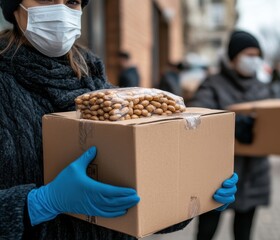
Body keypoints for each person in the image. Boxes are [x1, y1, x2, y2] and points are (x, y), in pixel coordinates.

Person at [0, 1, 238, 239]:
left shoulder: (102, 90)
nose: (60, 9)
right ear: (14, 6)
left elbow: (139, 200)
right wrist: (37, 204)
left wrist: (196, 192)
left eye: (72, 1)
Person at [189, 30, 272, 240]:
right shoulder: (213, 84)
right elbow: (198, 116)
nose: (253, 60)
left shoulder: (263, 88)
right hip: (219, 176)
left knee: (244, 233)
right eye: (248, 55)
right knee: (206, 231)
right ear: (234, 57)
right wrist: (233, 122)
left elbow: (277, 120)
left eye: (256, 55)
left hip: (254, 172)